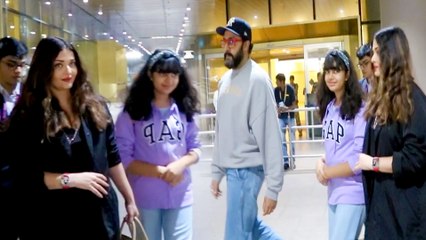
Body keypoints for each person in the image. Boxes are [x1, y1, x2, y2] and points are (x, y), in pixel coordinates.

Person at [5, 37, 138, 239]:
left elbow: (112, 157)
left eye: (72, 63)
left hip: (100, 216)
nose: (68, 72)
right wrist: (71, 179)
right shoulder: (28, 116)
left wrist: (129, 198)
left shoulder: (96, 107)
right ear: (44, 69)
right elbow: (23, 177)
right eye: (58, 65)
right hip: (54, 220)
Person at [115, 49, 202, 240]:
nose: (169, 79)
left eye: (174, 74)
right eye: (163, 73)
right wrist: (160, 172)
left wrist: (181, 164)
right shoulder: (132, 113)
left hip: (180, 194)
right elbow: (122, 158)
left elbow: (195, 148)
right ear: (150, 74)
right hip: (145, 196)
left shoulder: (184, 110)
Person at [211, 17, 284, 240]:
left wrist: (273, 188)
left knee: (236, 234)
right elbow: (221, 131)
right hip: (233, 170)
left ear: (246, 43)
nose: (226, 47)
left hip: (248, 171)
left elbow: (270, 136)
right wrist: (217, 170)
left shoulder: (258, 80)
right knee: (251, 228)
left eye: (232, 41)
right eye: (224, 41)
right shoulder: (225, 81)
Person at [355, 26, 426, 239]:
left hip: (404, 216)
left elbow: (415, 158)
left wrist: (373, 163)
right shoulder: (381, 98)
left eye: (377, 51)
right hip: (381, 213)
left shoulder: (413, 99)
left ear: (392, 53)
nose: (373, 57)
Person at [315, 49, 366, 240]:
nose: (330, 76)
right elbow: (332, 148)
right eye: (327, 71)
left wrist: (327, 172)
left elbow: (357, 159)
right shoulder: (329, 107)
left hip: (353, 192)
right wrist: (321, 162)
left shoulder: (360, 108)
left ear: (347, 75)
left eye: (336, 71)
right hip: (333, 191)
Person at [0, 36, 27, 240]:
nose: (17, 70)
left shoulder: (31, 95)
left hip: (27, 178)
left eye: (20, 65)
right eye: (11, 64)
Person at [274, 73, 296, 170]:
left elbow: (294, 105)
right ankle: (286, 161)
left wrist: (286, 109)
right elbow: (276, 103)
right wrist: (278, 109)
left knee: (291, 139)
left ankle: (293, 160)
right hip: (281, 118)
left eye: (277, 81)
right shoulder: (276, 90)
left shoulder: (290, 89)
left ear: (282, 82)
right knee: (282, 139)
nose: (276, 83)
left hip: (290, 117)